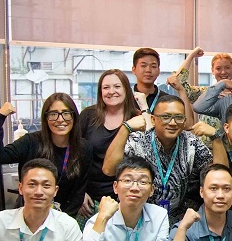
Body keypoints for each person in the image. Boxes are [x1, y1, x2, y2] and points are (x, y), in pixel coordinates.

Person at [103, 94, 213, 226]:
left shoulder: (191, 142)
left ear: (184, 120)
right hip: (140, 216)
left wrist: (216, 138)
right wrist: (125, 128)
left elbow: (217, 175)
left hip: (178, 220)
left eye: (178, 117)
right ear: (153, 120)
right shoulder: (138, 140)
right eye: (166, 117)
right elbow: (109, 170)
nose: (172, 123)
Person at [0, 94, 90, 217]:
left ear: (74, 117)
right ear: (46, 118)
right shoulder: (31, 142)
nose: (60, 119)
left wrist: (64, 221)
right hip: (29, 213)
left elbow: (78, 191)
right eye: (53, 114)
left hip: (63, 217)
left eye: (66, 113)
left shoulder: (84, 148)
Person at [80, 69, 142, 218]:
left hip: (127, 195)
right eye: (106, 87)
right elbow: (75, 155)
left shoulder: (137, 117)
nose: (111, 91)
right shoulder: (88, 116)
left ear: (126, 89)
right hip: (90, 197)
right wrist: (79, 192)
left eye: (117, 86)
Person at [131, 47, 193, 127]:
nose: (148, 70)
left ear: (159, 70)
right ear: (133, 69)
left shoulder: (167, 99)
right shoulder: (125, 97)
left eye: (153, 66)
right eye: (143, 66)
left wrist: (181, 90)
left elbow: (188, 126)